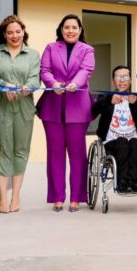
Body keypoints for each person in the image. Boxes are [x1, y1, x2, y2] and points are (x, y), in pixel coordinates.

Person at [0, 15, 40, 214]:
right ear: (4, 35)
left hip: (24, 107)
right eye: (10, 32)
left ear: (23, 32)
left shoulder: (32, 54)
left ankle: (16, 197)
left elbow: (35, 78)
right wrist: (5, 85)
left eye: (18, 31)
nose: (14, 36)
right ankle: (2, 198)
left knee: (20, 150)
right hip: (0, 107)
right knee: (2, 148)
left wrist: (27, 88)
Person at [37, 14, 95, 213]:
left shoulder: (87, 50)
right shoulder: (51, 48)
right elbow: (44, 70)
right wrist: (52, 84)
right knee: (55, 153)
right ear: (61, 30)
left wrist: (74, 84)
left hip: (78, 107)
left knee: (78, 154)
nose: (70, 31)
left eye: (74, 27)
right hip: (52, 107)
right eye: (66, 27)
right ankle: (57, 197)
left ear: (80, 30)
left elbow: (86, 71)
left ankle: (76, 197)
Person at [92, 65, 137, 192]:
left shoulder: (134, 98)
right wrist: (108, 99)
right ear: (113, 80)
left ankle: (133, 182)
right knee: (122, 143)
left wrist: (136, 103)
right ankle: (121, 182)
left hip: (133, 138)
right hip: (111, 140)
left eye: (125, 77)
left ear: (130, 80)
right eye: (118, 77)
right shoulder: (106, 97)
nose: (122, 80)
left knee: (135, 144)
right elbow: (94, 110)